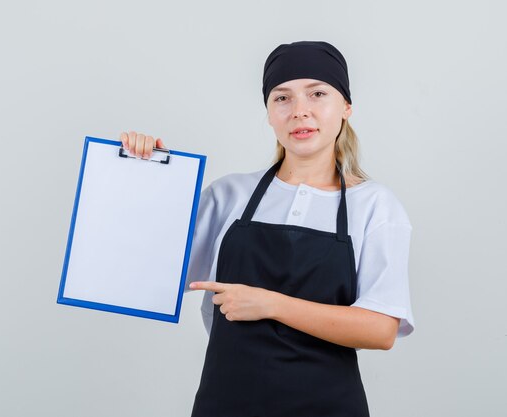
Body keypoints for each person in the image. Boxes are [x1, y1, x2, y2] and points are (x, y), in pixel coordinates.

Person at [120, 40, 414, 417]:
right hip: (225, 405)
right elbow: (145, 273)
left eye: (317, 94)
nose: (299, 112)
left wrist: (271, 304)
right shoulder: (230, 194)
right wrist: (138, 174)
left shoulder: (374, 205)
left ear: (346, 107)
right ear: (269, 113)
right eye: (282, 98)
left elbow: (380, 329)